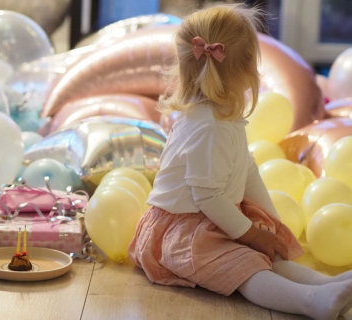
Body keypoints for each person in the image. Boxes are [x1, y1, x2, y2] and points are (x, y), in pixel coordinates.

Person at [128, 3, 352, 320]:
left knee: (267, 253)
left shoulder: (223, 115)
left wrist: (271, 222)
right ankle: (310, 301)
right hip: (181, 232)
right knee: (244, 267)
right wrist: (249, 234)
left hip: (210, 217)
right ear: (245, 67)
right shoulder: (208, 126)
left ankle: (324, 285)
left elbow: (245, 169)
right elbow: (207, 196)